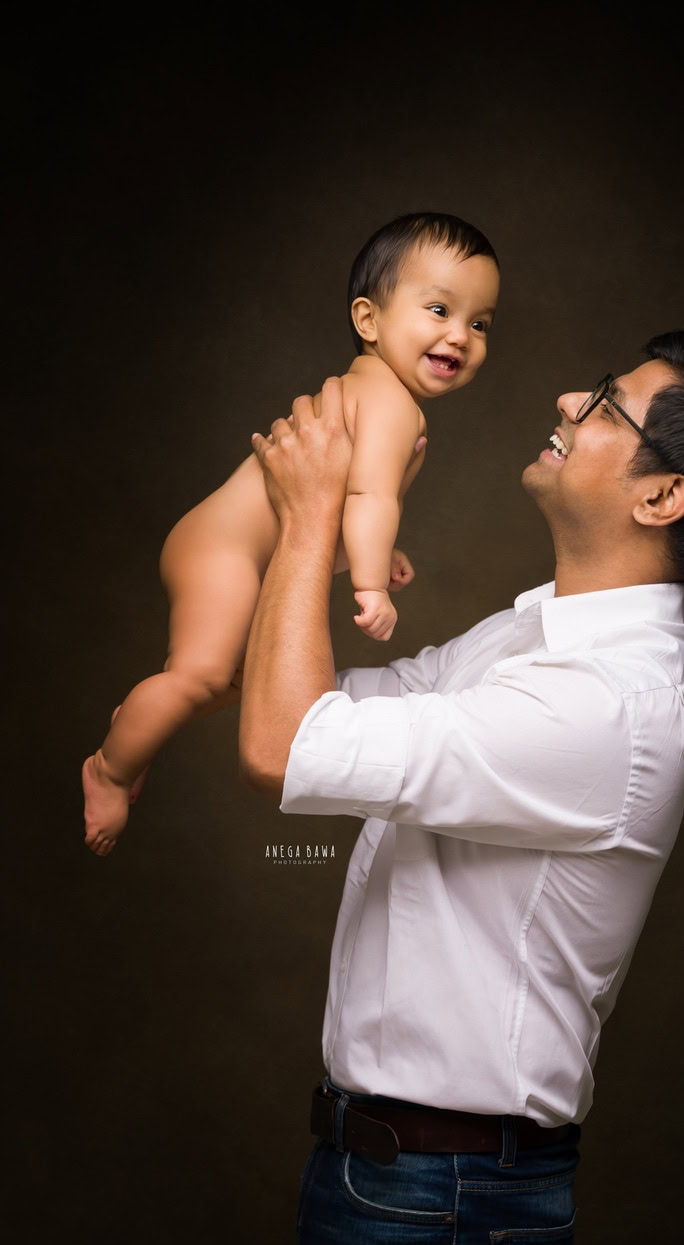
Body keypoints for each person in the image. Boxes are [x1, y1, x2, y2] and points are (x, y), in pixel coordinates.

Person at [239, 331, 684, 1245]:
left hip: (444, 1198)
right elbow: (318, 704)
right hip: (392, 1180)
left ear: (663, 498)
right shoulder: (536, 643)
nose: (567, 396)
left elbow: (284, 744)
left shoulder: (601, 706)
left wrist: (318, 510)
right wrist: (312, 522)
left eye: (609, 403)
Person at [81, 212, 499, 856]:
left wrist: (377, 551)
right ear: (368, 320)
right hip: (222, 549)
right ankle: (109, 768)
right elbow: (368, 496)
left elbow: (342, 502)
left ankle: (143, 719)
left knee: (242, 680)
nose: (460, 336)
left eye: (479, 323)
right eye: (439, 309)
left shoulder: (379, 390)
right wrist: (368, 582)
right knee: (200, 677)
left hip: (232, 547)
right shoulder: (389, 402)